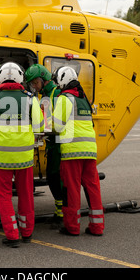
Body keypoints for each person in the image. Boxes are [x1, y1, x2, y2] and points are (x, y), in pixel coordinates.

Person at [0, 62, 44, 247]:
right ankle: (27, 232)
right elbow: (40, 126)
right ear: (20, 78)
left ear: (0, 77)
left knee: (4, 196)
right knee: (26, 194)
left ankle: (12, 235)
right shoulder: (29, 98)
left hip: (0, 157)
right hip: (24, 157)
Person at [52, 66, 104, 236]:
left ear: (62, 80)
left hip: (72, 151)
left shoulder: (64, 99)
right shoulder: (84, 99)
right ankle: (97, 227)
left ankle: (72, 227)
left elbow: (57, 126)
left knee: (71, 190)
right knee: (93, 189)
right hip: (90, 150)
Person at [25, 64, 64, 226]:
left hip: (59, 145)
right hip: (51, 143)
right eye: (32, 84)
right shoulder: (45, 95)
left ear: (43, 79)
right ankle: (60, 211)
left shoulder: (56, 94)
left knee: (57, 179)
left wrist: (45, 130)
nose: (34, 86)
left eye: (35, 82)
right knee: (53, 178)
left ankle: (62, 215)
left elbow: (59, 122)